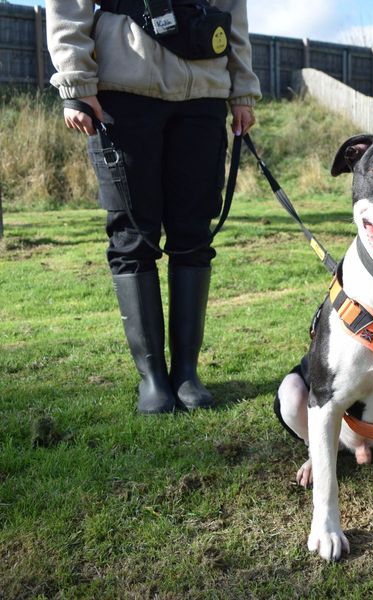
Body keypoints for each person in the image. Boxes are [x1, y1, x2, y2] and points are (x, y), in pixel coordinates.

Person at [45, 0, 261, 414]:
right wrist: (76, 80)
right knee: (132, 234)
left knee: (194, 235)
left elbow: (232, 9)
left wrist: (242, 89)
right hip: (123, 87)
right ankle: (152, 379)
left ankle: (186, 373)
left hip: (204, 91)